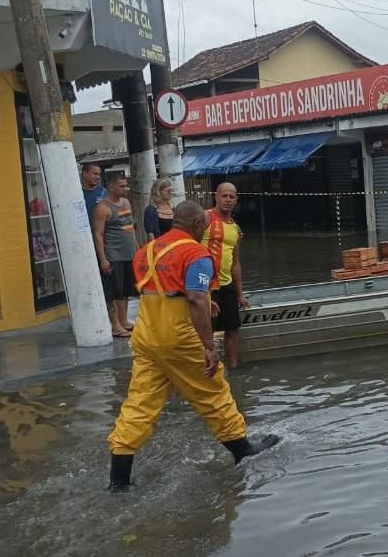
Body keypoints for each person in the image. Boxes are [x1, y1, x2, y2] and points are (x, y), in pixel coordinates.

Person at [106, 201, 280, 491]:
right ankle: (242, 449)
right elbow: (195, 298)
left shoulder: (144, 252)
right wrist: (209, 346)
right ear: (199, 226)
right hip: (179, 338)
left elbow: (162, 289)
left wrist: (202, 300)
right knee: (213, 392)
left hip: (147, 336)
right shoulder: (196, 253)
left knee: (139, 403)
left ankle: (119, 479)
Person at [202, 182, 248, 369]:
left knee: (232, 329)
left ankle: (233, 368)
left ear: (236, 200)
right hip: (205, 285)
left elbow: (236, 263)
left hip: (226, 283)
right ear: (216, 196)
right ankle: (206, 368)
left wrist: (240, 293)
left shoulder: (235, 228)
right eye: (224, 196)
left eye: (231, 197)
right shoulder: (205, 218)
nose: (228, 200)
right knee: (206, 331)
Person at [93, 173, 137, 338]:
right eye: (121, 186)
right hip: (113, 254)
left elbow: (129, 225)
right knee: (114, 291)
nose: (124, 188)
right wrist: (103, 258)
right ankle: (114, 325)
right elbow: (98, 234)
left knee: (125, 291)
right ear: (111, 186)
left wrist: (136, 246)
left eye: (125, 185)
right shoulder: (103, 207)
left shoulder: (126, 202)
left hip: (128, 253)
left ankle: (123, 320)